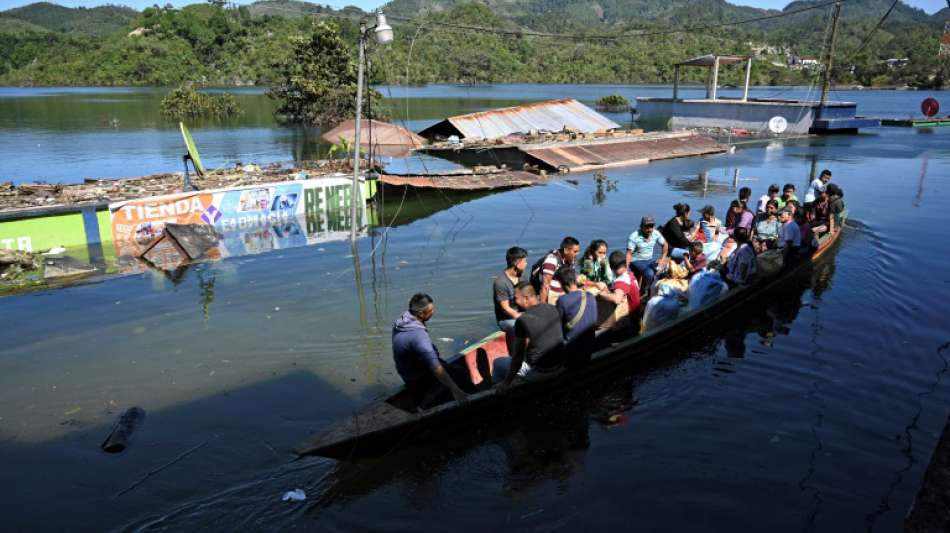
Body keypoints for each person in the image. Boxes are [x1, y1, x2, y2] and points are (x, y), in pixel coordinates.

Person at [392, 294, 472, 409]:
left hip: (407, 370)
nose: (433, 312)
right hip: (417, 377)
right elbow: (436, 368)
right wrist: (455, 390)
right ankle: (472, 398)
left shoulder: (402, 320)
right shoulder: (419, 337)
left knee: (451, 368)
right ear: (420, 313)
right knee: (461, 374)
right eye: (431, 310)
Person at [493, 282, 566, 391]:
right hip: (560, 366)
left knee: (497, 363)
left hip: (540, 373)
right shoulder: (552, 308)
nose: (514, 301)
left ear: (526, 299)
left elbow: (517, 357)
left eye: (516, 298)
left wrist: (506, 382)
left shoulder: (522, 320)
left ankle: (500, 391)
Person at [554, 267, 598, 367]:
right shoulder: (590, 296)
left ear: (562, 284)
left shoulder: (562, 300)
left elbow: (557, 327)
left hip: (572, 352)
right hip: (590, 347)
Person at [596, 250, 640, 331]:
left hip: (630, 318)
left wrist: (602, 295)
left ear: (611, 268)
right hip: (636, 312)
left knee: (601, 300)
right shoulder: (629, 274)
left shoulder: (621, 281)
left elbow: (617, 299)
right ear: (625, 263)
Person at [626, 215, 669, 294]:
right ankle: (644, 291)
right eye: (647, 227)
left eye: (651, 226)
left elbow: (665, 244)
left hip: (649, 260)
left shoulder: (656, 233)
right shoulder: (634, 236)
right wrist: (627, 268)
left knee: (666, 268)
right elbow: (629, 253)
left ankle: (650, 288)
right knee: (649, 273)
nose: (649, 229)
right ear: (641, 226)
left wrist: (662, 258)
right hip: (636, 260)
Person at [493, 246, 528, 333]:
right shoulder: (501, 282)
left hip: (521, 313)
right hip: (506, 318)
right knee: (528, 327)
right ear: (517, 263)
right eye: (524, 261)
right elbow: (505, 308)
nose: (526, 264)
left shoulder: (522, 277)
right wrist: (523, 318)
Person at [538, 236, 580, 305]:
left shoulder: (570, 260)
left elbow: (572, 277)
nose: (577, 254)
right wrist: (542, 307)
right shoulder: (551, 260)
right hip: (552, 293)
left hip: (563, 289)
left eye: (578, 251)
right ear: (566, 250)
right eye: (575, 251)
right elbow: (545, 285)